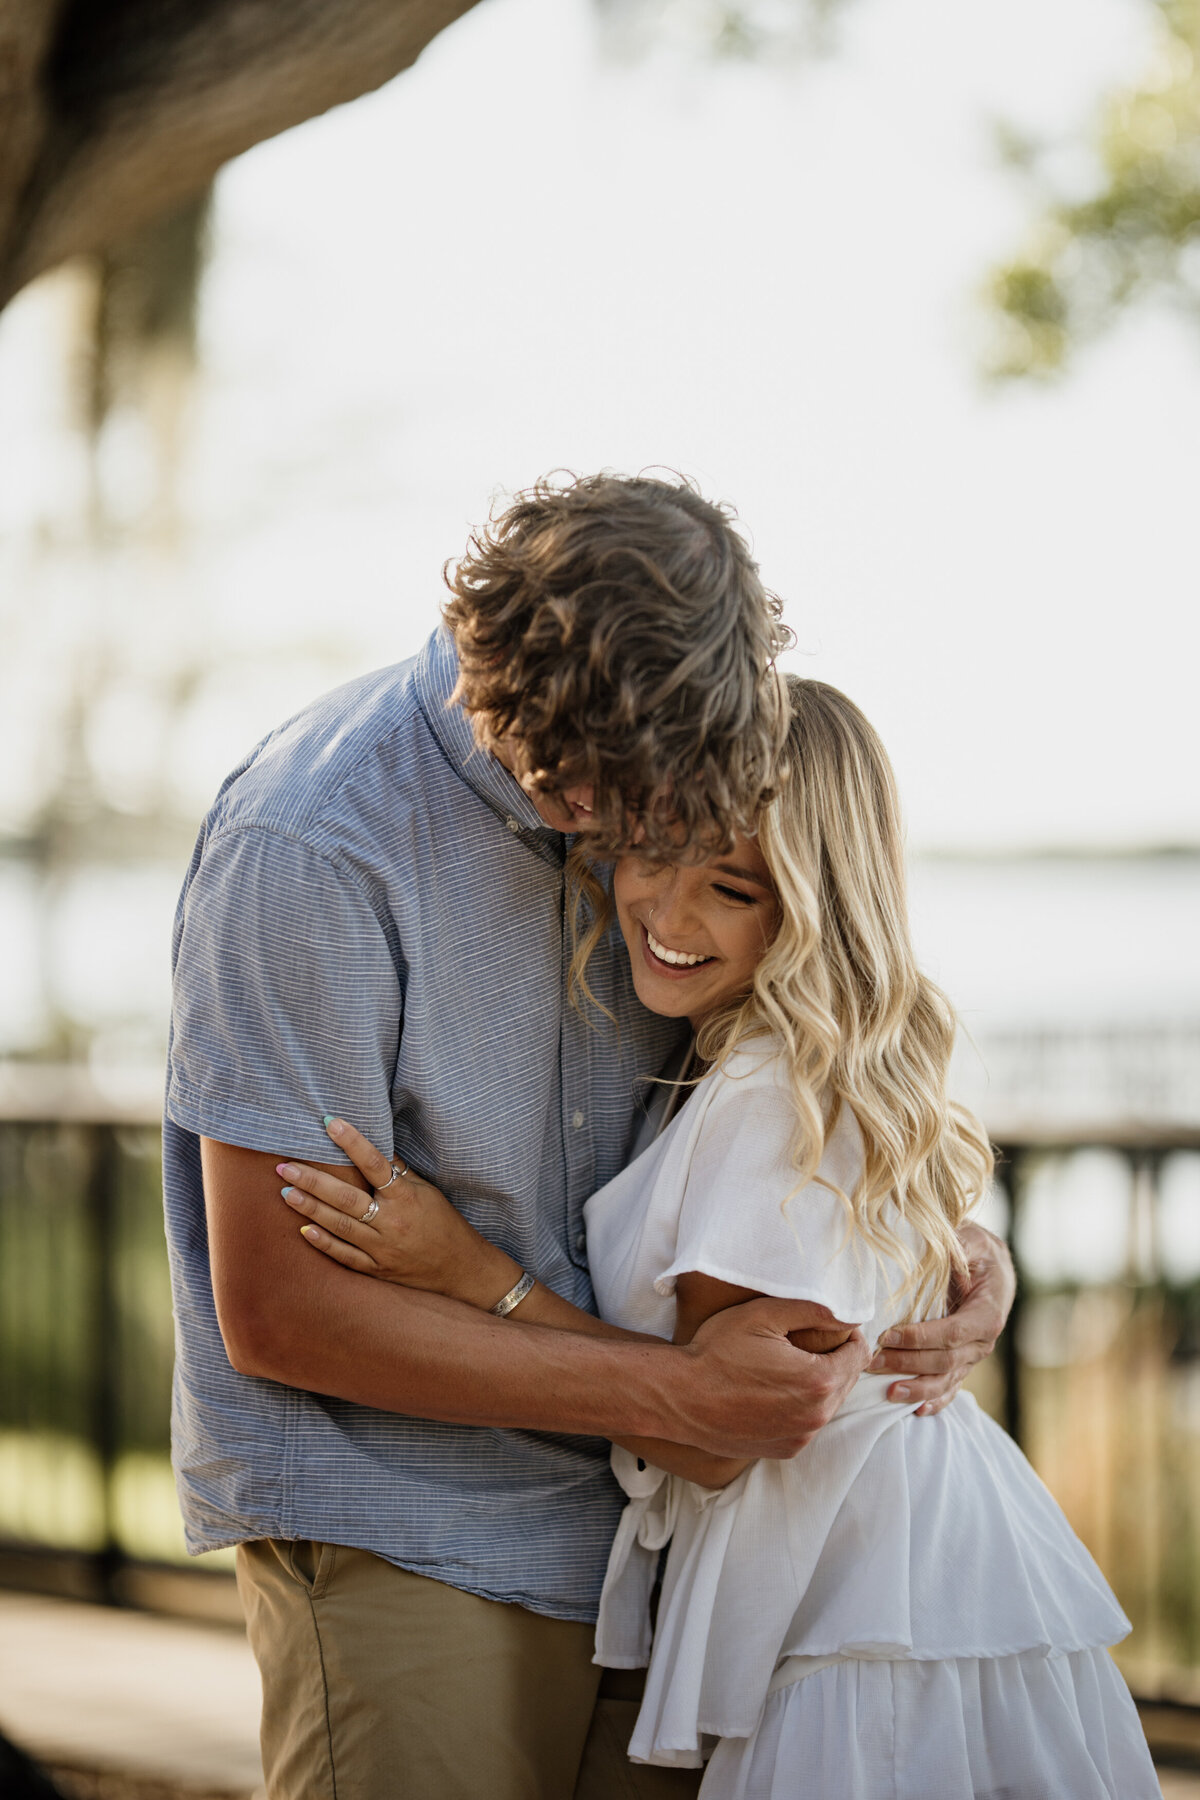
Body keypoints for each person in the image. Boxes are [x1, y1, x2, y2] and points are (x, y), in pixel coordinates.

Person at [164, 475, 1014, 1800]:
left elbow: (797, 1088)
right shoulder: (315, 845)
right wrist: (675, 1395)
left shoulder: (677, 770)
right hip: (411, 1531)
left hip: (669, 1557)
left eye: (643, 802)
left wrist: (951, 1256)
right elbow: (276, 1310)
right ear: (492, 679)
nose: (611, 831)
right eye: (572, 790)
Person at [280, 676, 1156, 1799]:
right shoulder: (769, 1063)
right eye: (649, 852)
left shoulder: (762, 1090)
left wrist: (469, 1270)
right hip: (906, 1567)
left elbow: (713, 1430)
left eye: (729, 887)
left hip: (854, 1608)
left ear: (813, 905)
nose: (667, 911)